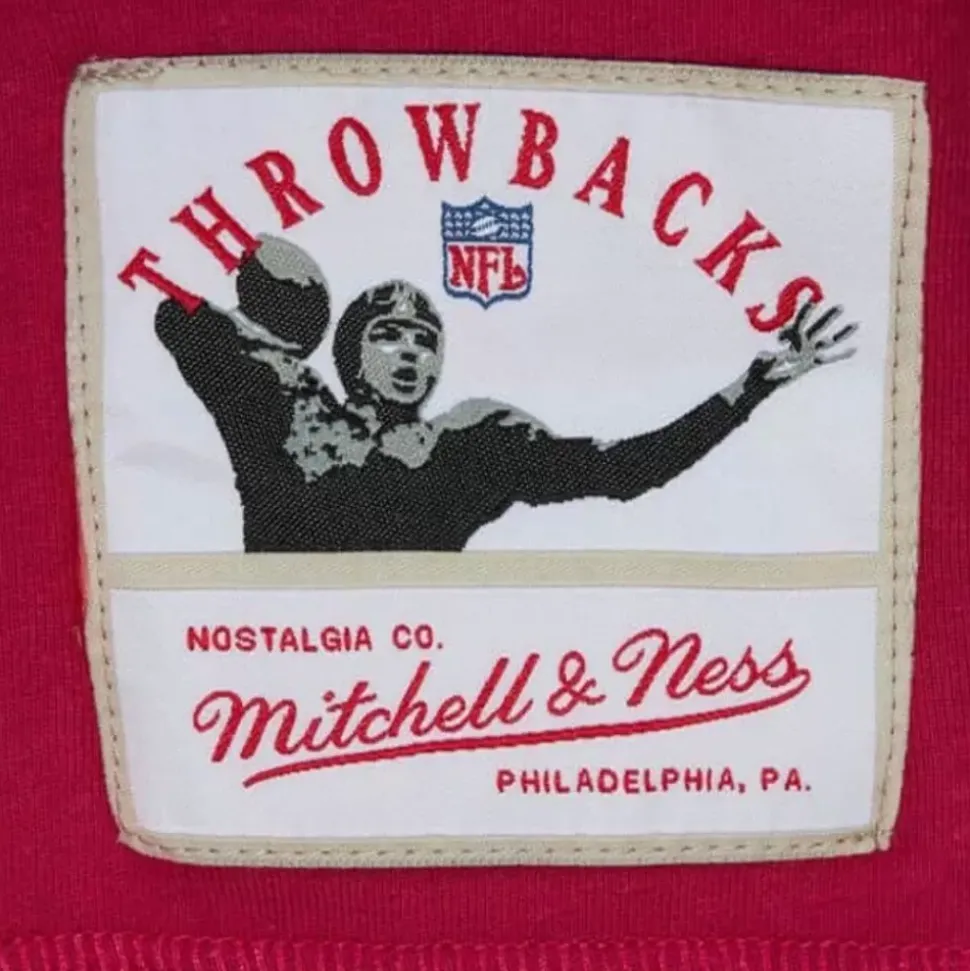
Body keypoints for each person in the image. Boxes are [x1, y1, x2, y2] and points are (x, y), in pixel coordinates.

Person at [155, 234, 858, 552]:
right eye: (389, 334)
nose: (411, 351)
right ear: (350, 350)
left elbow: (625, 471)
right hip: (277, 656)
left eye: (425, 339)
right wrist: (279, 311)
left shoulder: (470, 443)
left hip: (413, 666)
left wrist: (750, 387)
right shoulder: (287, 405)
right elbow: (176, 313)